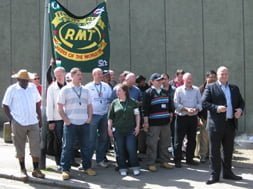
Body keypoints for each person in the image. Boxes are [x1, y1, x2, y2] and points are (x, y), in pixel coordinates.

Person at [202, 66, 245, 185]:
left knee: (228, 151)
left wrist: (240, 110)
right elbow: (204, 102)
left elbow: (241, 102)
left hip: (230, 124)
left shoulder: (234, 88)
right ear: (217, 75)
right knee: (214, 152)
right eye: (222, 74)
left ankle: (228, 173)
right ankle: (214, 175)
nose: (224, 75)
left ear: (228, 75)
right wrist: (216, 108)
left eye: (226, 73)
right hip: (215, 126)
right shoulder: (210, 87)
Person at [2, 69, 45, 181]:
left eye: (27, 80)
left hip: (33, 121)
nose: (26, 82)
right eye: (24, 80)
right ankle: (22, 169)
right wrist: (12, 119)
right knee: (19, 146)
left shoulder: (32, 88)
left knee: (35, 145)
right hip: (18, 121)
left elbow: (37, 103)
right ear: (18, 79)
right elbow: (5, 105)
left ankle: (36, 169)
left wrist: (39, 118)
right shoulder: (12, 90)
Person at [57, 67, 95, 180]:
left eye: (81, 74)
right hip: (71, 124)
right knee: (67, 147)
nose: (80, 76)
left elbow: (89, 106)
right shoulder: (65, 90)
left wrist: (89, 118)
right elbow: (59, 107)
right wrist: (66, 120)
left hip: (84, 123)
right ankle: (65, 169)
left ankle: (87, 167)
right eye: (78, 74)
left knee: (86, 147)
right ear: (72, 76)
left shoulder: (86, 90)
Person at [142, 73, 174, 172]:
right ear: (152, 81)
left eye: (161, 80)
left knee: (165, 142)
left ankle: (164, 161)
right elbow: (145, 109)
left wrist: (171, 114)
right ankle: (151, 163)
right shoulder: (148, 92)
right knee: (152, 143)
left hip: (165, 122)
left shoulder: (165, 92)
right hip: (153, 123)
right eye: (158, 80)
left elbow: (170, 105)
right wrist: (146, 122)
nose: (160, 82)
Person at [108, 83, 141, 176]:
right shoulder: (114, 103)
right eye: (116, 91)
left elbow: (137, 115)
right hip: (118, 130)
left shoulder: (133, 102)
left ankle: (135, 166)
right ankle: (122, 167)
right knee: (120, 150)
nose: (117, 92)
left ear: (125, 91)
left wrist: (138, 126)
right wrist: (109, 128)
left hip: (130, 130)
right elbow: (110, 117)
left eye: (119, 90)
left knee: (131, 149)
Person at [84, 68, 112, 168]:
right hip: (93, 115)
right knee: (90, 139)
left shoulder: (107, 86)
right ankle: (87, 161)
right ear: (93, 75)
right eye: (98, 74)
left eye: (101, 74)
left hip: (104, 115)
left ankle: (100, 159)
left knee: (104, 138)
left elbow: (110, 101)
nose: (101, 76)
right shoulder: (87, 87)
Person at [173, 72, 202, 168]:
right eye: (187, 79)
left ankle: (189, 159)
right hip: (182, 117)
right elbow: (176, 104)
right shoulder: (178, 90)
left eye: (191, 79)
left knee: (192, 139)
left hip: (193, 117)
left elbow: (199, 103)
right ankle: (177, 160)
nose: (189, 81)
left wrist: (196, 109)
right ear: (183, 80)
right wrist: (186, 109)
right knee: (179, 140)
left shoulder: (196, 90)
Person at [46, 67, 66, 170]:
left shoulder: (69, 86)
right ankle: (59, 163)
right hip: (57, 119)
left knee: (69, 142)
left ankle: (68, 161)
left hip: (69, 118)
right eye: (56, 75)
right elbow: (50, 105)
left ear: (64, 74)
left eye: (60, 74)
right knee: (58, 142)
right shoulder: (51, 88)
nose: (58, 76)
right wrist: (51, 121)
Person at [195, 70, 217, 163]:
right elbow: (197, 103)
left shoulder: (218, 88)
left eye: (214, 77)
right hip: (204, 117)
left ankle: (212, 155)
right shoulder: (200, 89)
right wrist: (199, 118)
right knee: (204, 138)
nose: (212, 79)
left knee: (214, 138)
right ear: (206, 78)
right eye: (210, 77)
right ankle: (203, 155)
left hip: (216, 117)